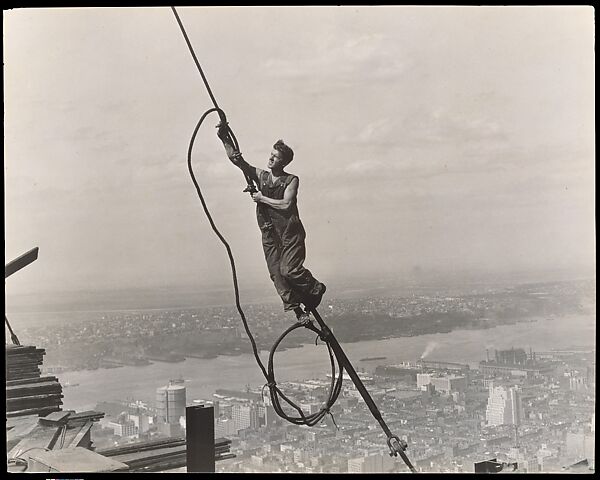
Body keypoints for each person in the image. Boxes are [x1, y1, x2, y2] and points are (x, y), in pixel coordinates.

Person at [217, 123, 326, 324]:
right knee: (277, 274)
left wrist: (262, 198)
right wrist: (224, 137)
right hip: (269, 233)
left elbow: (286, 204)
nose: (271, 158)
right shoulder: (262, 177)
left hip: (289, 233)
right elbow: (238, 161)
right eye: (271, 154)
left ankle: (315, 288)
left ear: (283, 162)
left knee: (290, 270)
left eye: (276, 157)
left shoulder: (291, 180)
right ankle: (298, 312)